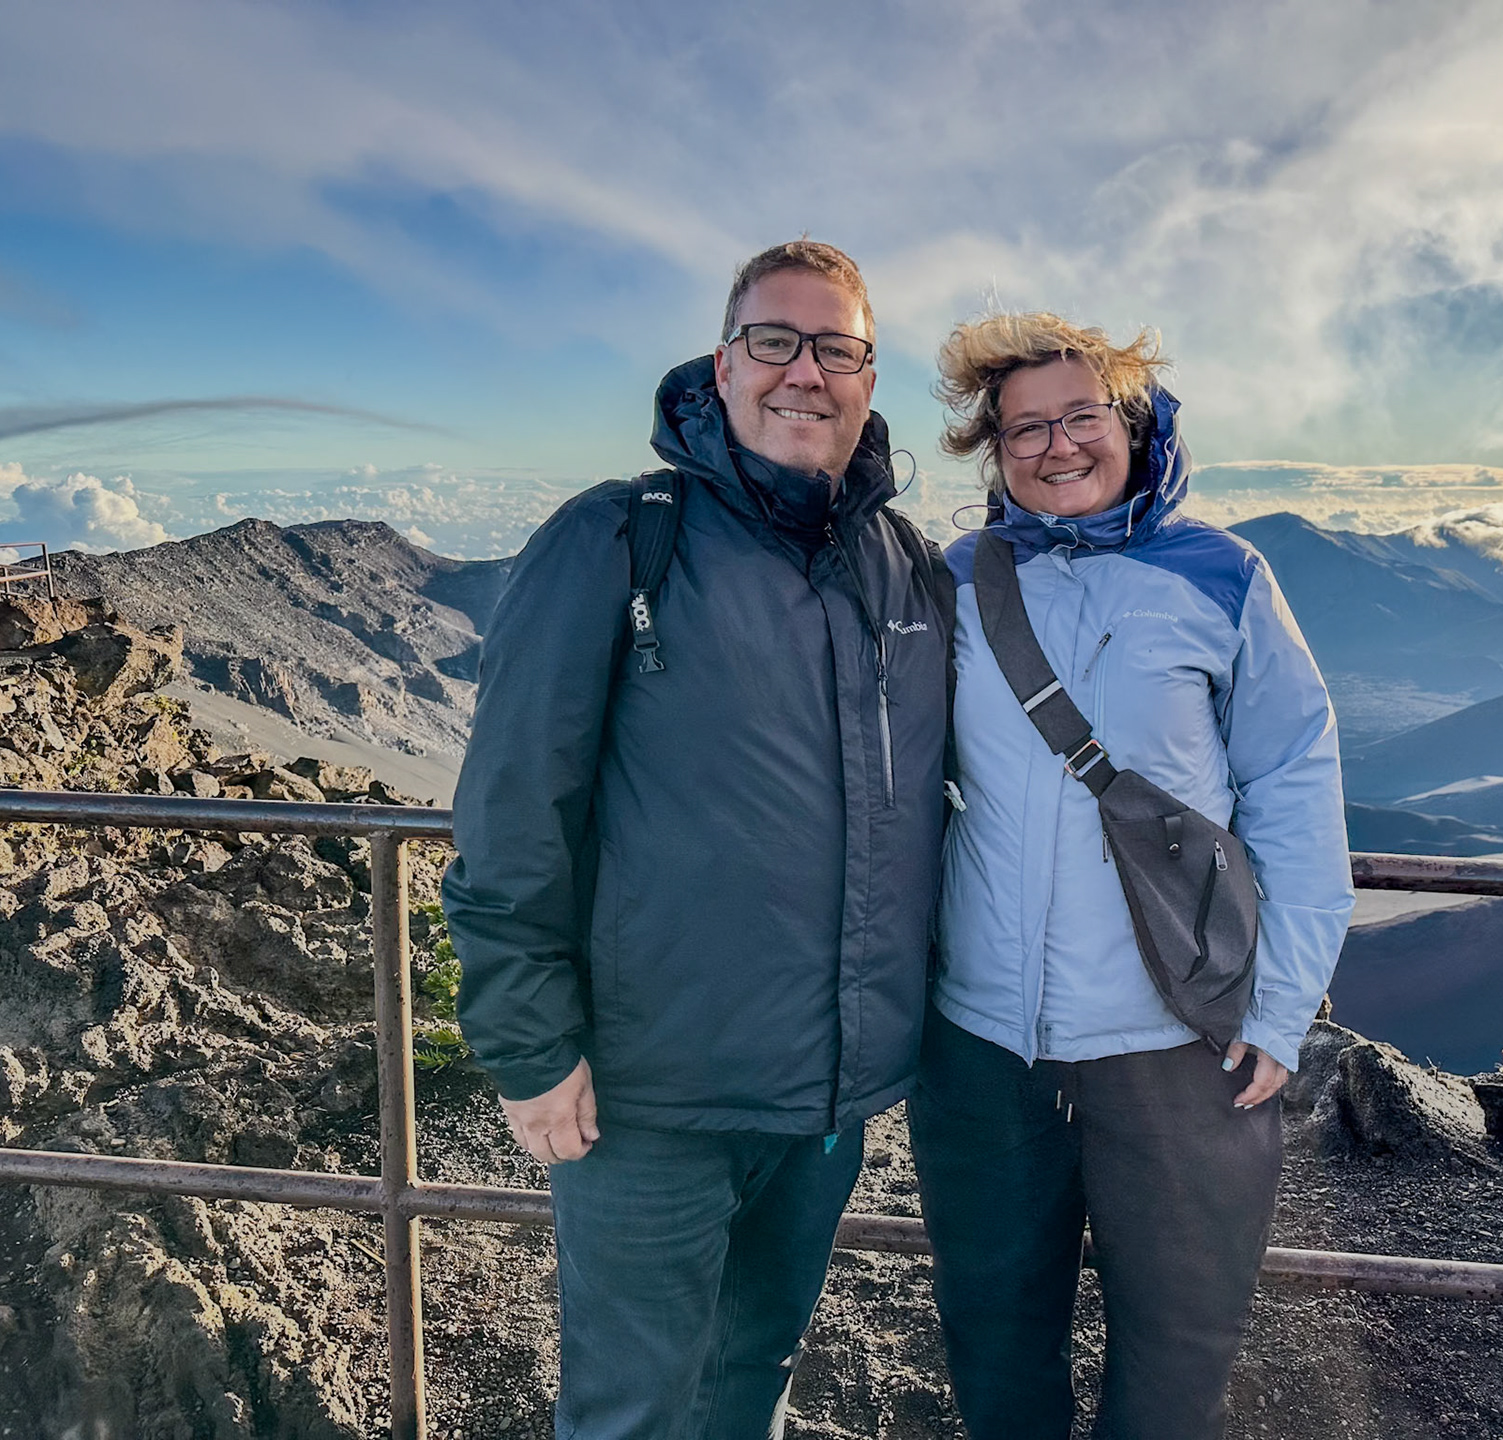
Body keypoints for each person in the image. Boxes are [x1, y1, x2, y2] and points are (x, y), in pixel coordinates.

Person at [441, 240, 951, 1440]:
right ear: (722, 367)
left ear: (870, 378)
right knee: (635, 1411)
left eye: (837, 348)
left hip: (827, 1102)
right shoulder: (617, 538)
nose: (803, 373)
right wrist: (527, 1037)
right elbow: (515, 800)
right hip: (649, 1098)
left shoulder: (905, 570)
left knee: (748, 1382)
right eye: (774, 341)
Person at [908, 311, 1353, 1439]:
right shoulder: (958, 579)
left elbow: (1297, 790)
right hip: (982, 1042)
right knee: (996, 1345)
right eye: (1025, 430)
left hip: (1177, 1037)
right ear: (992, 450)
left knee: (1176, 1361)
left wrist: (1284, 1008)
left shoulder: (1223, 576)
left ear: (1134, 421)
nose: (1056, 447)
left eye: (1079, 417)